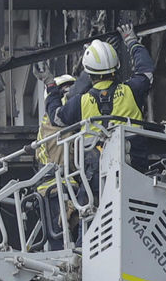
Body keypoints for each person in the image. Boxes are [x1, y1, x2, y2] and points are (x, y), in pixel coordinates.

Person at [44, 23, 155, 195]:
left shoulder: (81, 102)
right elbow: (146, 71)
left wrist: (50, 85)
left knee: (84, 207)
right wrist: (131, 41)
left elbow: (57, 117)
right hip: (135, 168)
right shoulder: (131, 90)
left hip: (96, 179)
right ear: (116, 68)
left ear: (89, 74)